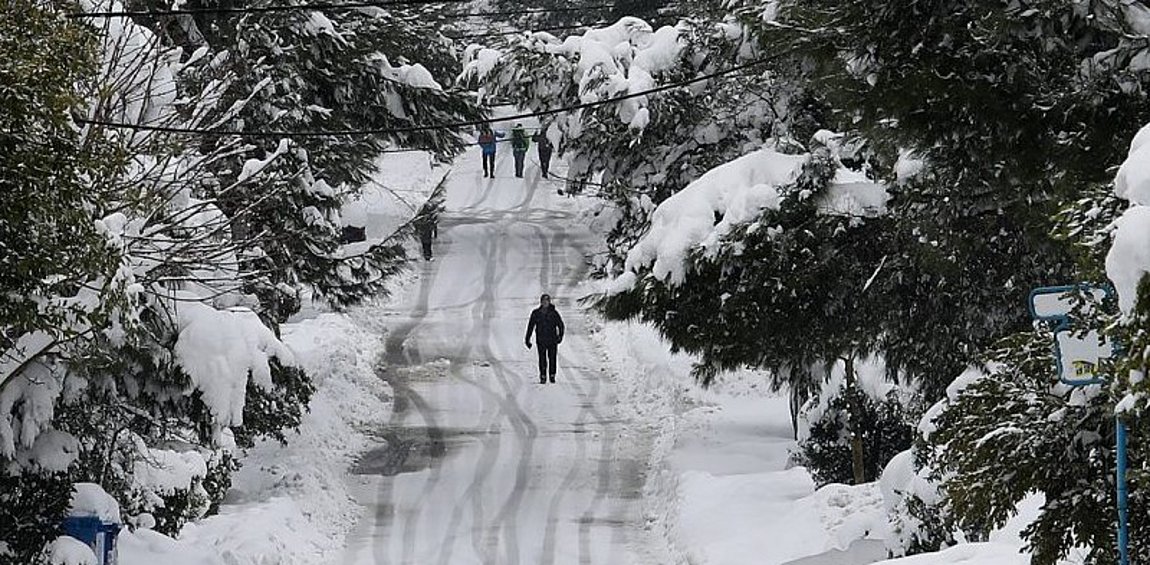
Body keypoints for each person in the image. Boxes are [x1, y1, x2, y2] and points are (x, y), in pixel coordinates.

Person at [525, 293, 564, 384]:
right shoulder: (536, 313)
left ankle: (552, 375)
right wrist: (527, 339)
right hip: (541, 339)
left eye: (547, 301)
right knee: (542, 358)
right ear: (541, 302)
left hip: (552, 339)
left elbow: (561, 325)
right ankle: (543, 375)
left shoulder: (554, 313)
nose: (545, 303)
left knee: (552, 358)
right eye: (543, 301)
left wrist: (560, 336)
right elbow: (530, 326)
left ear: (549, 302)